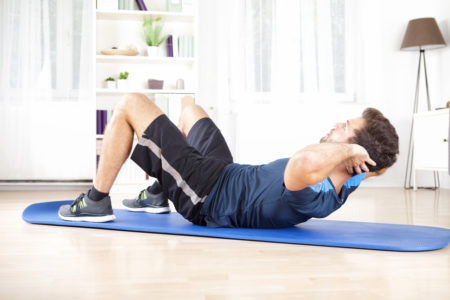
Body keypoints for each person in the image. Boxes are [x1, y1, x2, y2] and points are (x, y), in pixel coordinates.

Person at [58, 93, 399, 228]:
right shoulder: (352, 177)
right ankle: (161, 193)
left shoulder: (316, 186)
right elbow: (382, 164)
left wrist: (350, 151)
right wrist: (359, 158)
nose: (337, 125)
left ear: (354, 150)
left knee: (131, 103)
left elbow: (303, 162)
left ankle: (96, 202)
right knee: (191, 108)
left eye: (347, 127)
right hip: (226, 172)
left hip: (207, 194)